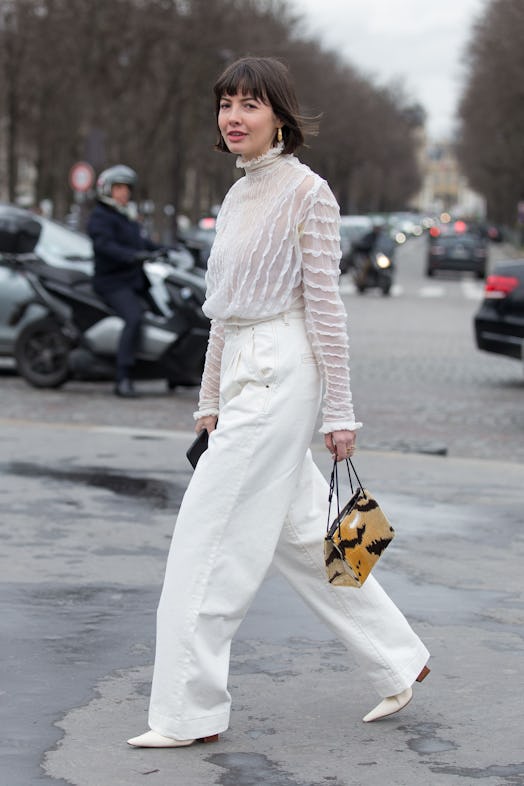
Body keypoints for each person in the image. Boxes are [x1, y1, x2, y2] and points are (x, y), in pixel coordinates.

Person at [127, 56, 429, 749]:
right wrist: (208, 400)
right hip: (241, 372)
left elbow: (326, 307)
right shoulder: (236, 196)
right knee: (301, 535)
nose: (233, 116)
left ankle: (187, 711)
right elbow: (222, 313)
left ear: (281, 117)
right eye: (225, 104)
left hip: (282, 372)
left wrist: (340, 413)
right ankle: (398, 657)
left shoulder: (308, 194)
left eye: (250, 105)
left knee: (207, 542)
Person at [87, 165, 163, 398]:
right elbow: (106, 246)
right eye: (118, 188)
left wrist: (167, 249)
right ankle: (122, 378)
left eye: (126, 188)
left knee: (161, 316)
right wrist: (132, 256)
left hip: (134, 280)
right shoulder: (101, 217)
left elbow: (142, 243)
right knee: (134, 318)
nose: (123, 192)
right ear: (107, 189)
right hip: (112, 282)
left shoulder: (126, 215)